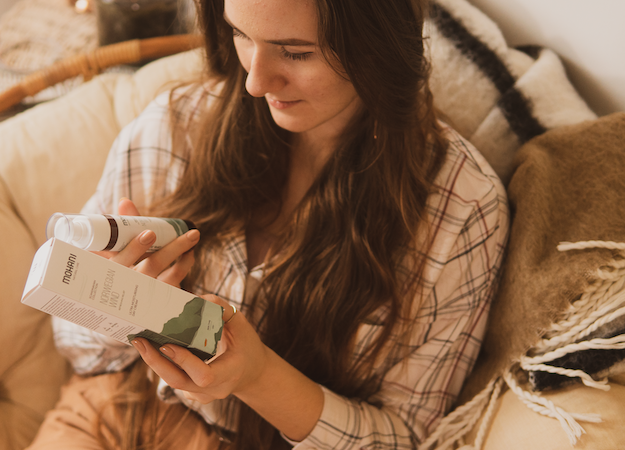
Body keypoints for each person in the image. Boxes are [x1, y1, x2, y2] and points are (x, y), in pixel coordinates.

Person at [26, 0, 510, 448]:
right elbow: (78, 351)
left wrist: (256, 376)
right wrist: (114, 305)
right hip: (112, 413)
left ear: (377, 43)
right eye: (240, 35)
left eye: (296, 53)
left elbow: (405, 437)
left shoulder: (460, 209)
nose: (255, 82)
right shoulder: (175, 125)